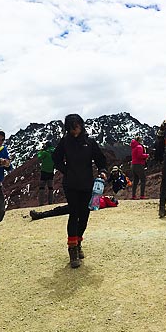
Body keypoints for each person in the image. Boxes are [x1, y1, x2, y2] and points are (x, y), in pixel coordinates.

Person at [52, 114, 107, 269]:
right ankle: (72, 249)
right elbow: (55, 158)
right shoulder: (65, 142)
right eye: (71, 127)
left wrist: (102, 171)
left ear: (81, 125)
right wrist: (66, 171)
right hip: (70, 184)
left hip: (87, 184)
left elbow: (100, 160)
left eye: (76, 126)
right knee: (74, 214)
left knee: (84, 215)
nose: (74, 130)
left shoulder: (89, 143)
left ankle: (79, 241)